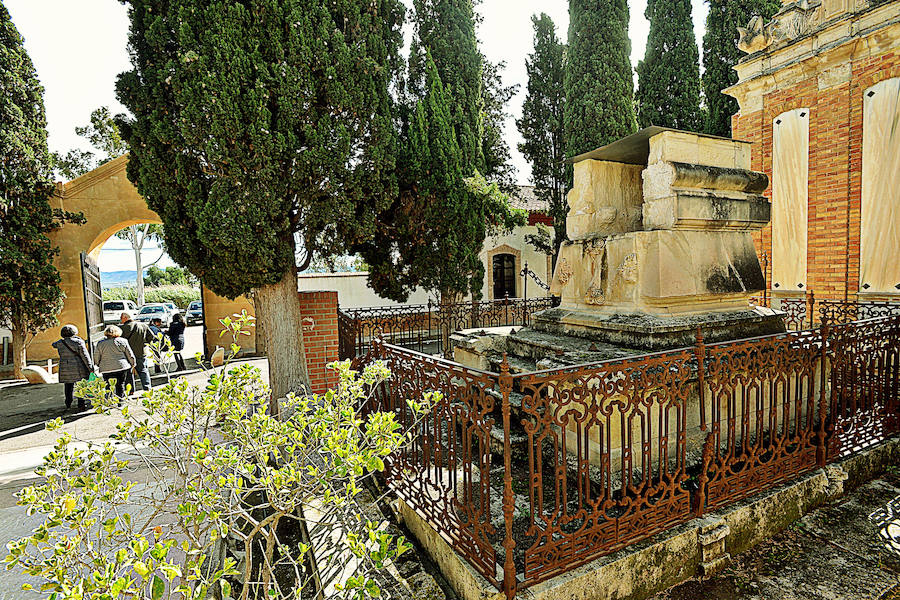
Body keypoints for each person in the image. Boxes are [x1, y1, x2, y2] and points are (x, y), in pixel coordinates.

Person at [51, 325, 94, 409]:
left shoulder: (60, 343)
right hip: (78, 367)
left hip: (64, 367)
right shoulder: (78, 342)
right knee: (80, 385)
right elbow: (85, 356)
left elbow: (54, 344)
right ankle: (81, 404)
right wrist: (90, 368)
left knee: (68, 386)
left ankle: (68, 403)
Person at [94, 325, 136, 398]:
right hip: (121, 366)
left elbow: (96, 355)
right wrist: (133, 363)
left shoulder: (100, 343)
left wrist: (97, 364)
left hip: (106, 368)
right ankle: (121, 401)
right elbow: (130, 354)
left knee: (108, 385)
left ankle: (110, 400)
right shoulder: (123, 341)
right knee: (120, 384)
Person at [119, 311, 154, 391]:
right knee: (143, 370)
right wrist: (145, 344)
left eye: (121, 318)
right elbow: (151, 336)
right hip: (141, 351)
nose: (121, 320)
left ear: (125, 318)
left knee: (128, 372)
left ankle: (130, 390)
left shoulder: (122, 328)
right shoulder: (143, 325)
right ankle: (147, 388)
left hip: (127, 353)